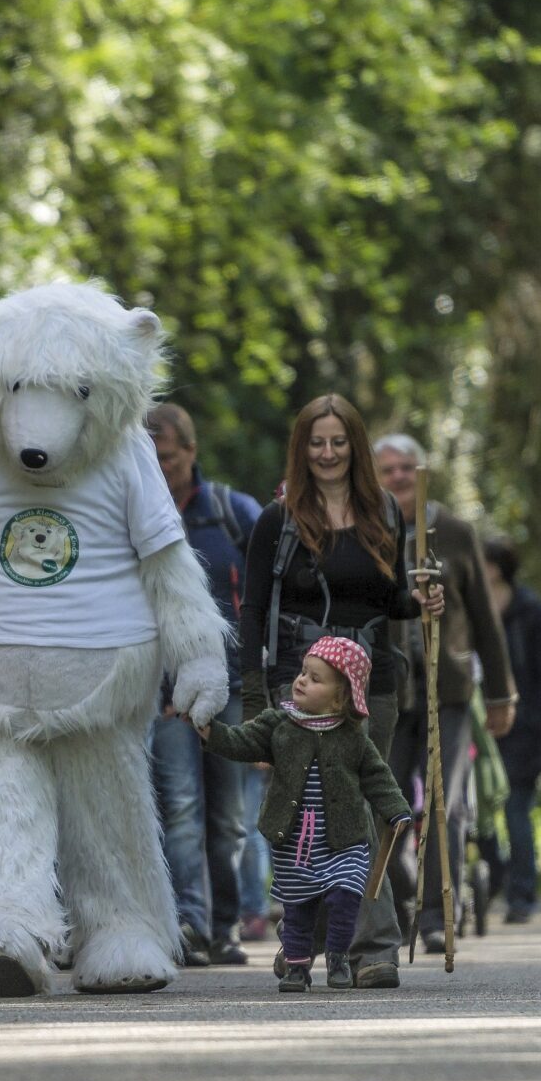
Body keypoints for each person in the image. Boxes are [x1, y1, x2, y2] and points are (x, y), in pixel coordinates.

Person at [235, 394, 444, 989]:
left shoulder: (383, 511)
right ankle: (308, 941)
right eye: (316, 443)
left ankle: (370, 948)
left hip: (371, 680)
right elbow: (252, 614)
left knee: (360, 801)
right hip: (298, 689)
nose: (327, 453)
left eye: (338, 442)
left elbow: (389, 600)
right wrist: (254, 708)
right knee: (306, 811)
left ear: (355, 446)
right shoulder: (278, 521)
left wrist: (423, 598)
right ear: (302, 450)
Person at [370, 435, 516, 954]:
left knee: (444, 804)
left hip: (447, 692)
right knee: (383, 806)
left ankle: (436, 916)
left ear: (423, 471)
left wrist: (501, 695)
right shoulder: (365, 529)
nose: (398, 478)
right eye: (387, 470)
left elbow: (483, 618)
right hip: (387, 693)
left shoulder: (454, 533)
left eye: (407, 468)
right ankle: (396, 903)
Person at [205, 637, 413, 992]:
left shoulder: (353, 737)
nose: (301, 680)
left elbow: (379, 778)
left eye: (315, 679)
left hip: (344, 839)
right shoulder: (278, 724)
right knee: (298, 906)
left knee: (346, 893)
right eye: (303, 672)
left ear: (340, 697)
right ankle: (297, 968)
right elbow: (240, 742)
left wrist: (397, 811)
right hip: (295, 840)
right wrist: (207, 729)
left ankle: (337, 956)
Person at [144, 402, 261, 966]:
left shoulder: (232, 512)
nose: (160, 469)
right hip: (163, 691)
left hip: (233, 686)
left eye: (168, 458)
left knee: (230, 816)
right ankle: (188, 923)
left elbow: (267, 596)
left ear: (191, 452)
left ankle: (226, 924)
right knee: (181, 807)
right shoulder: (134, 515)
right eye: (151, 459)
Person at [481, 535, 541, 923]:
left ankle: (522, 896)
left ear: (497, 567)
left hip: (524, 731)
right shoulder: (473, 608)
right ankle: (493, 877)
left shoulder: (531, 611)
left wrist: (532, 722)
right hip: (480, 727)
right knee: (477, 814)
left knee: (516, 812)